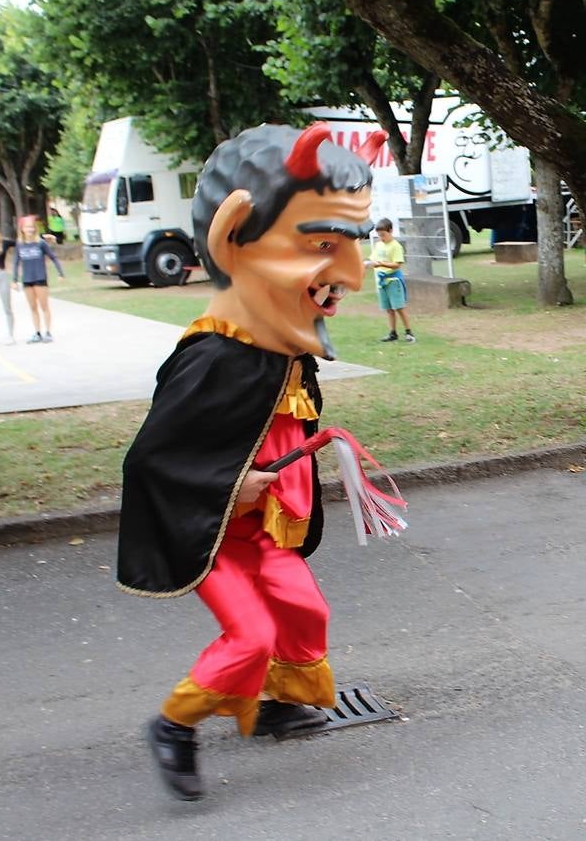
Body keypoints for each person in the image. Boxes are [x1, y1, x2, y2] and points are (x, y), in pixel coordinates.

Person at [118, 122, 389, 801]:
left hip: (270, 534)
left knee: (303, 610)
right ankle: (174, 725)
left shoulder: (279, 348)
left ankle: (276, 703)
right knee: (253, 633)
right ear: (232, 237)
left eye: (350, 246)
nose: (350, 276)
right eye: (322, 244)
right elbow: (150, 462)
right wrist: (232, 483)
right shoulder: (214, 354)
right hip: (218, 540)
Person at [13, 215, 64, 343]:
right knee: (33, 307)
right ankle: (37, 332)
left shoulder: (40, 243)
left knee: (44, 306)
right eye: (26, 227)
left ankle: (48, 332)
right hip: (27, 279)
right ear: (22, 229)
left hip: (40, 278)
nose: (29, 229)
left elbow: (53, 257)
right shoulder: (20, 244)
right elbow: (15, 262)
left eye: (31, 227)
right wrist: (14, 279)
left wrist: (60, 273)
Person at [368, 218, 414, 342]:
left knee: (399, 307)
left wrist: (382, 264)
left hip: (393, 281)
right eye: (379, 235)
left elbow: (397, 264)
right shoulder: (378, 245)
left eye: (383, 235)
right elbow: (373, 259)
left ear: (391, 231)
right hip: (382, 282)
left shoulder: (396, 246)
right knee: (389, 309)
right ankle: (393, 332)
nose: (381, 237)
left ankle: (409, 332)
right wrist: (370, 263)